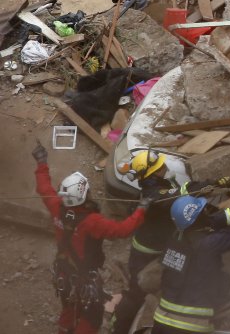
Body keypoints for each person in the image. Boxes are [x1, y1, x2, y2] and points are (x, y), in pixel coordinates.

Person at [110, 151, 230, 334]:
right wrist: (209, 185)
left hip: (159, 248)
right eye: (160, 167)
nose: (165, 167)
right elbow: (180, 194)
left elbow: (183, 191)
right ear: (152, 173)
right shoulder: (156, 196)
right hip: (146, 255)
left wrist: (211, 184)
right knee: (137, 292)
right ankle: (118, 328)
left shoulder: (158, 188)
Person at [33, 141, 148, 334]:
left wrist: (41, 163)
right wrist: (142, 209)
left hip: (64, 273)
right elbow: (122, 230)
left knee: (69, 307)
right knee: (90, 318)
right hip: (84, 278)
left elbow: (44, 188)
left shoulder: (57, 207)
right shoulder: (92, 221)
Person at [151, 188, 230, 334]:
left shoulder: (177, 236)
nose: (206, 211)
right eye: (202, 210)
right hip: (191, 326)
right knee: (223, 280)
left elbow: (212, 220)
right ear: (198, 217)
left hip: (161, 320)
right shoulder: (207, 244)